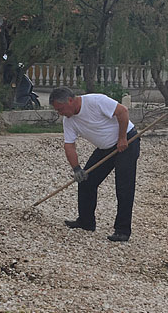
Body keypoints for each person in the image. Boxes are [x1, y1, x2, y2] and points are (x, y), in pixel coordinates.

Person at [49, 87, 139, 242]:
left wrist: (122, 138)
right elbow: (69, 145)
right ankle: (86, 222)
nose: (60, 113)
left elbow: (122, 111)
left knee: (124, 188)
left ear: (70, 100)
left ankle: (122, 230)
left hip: (126, 143)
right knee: (86, 181)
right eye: (57, 110)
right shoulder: (69, 121)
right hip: (105, 148)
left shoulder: (96, 101)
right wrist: (76, 168)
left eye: (61, 109)